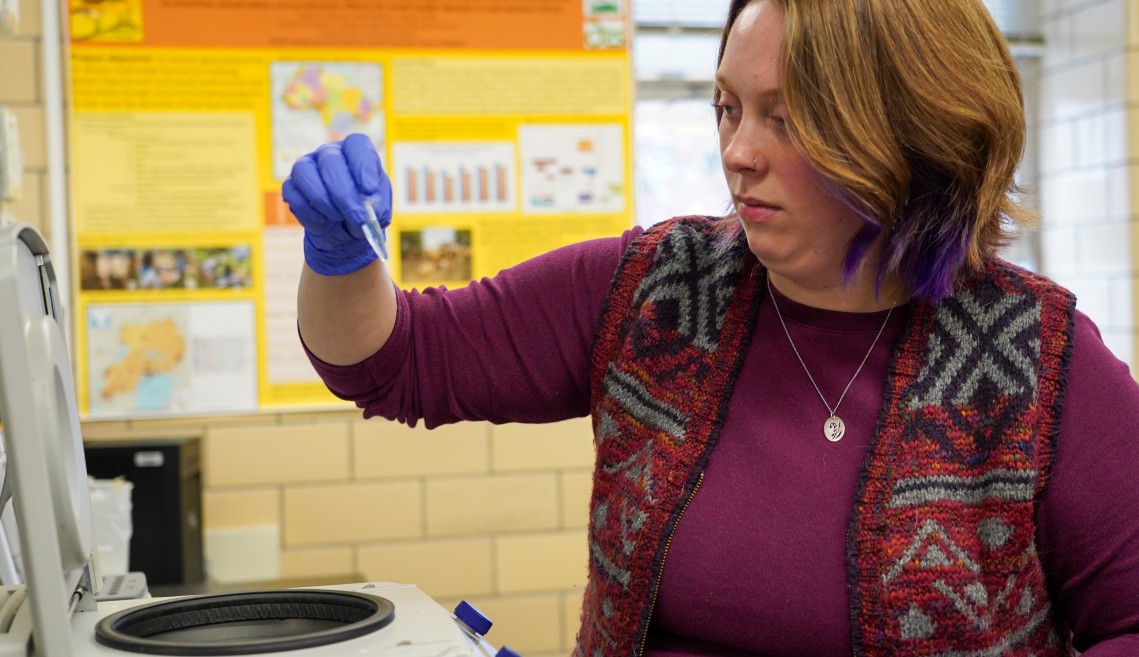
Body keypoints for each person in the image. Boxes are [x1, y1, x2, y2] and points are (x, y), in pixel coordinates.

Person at [282, 0, 1139, 654]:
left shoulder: (1040, 361)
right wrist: (340, 258)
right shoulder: (652, 290)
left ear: (905, 131)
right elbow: (392, 361)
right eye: (727, 106)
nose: (736, 150)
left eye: (783, 115)